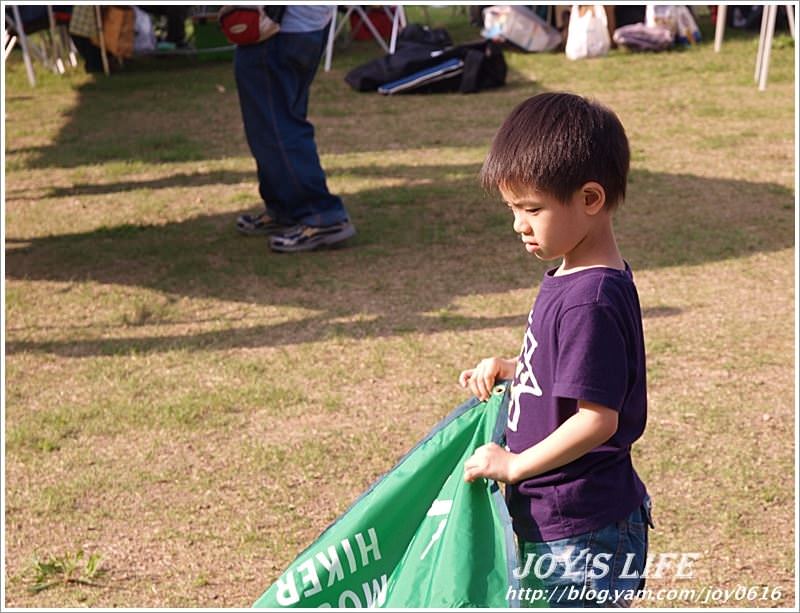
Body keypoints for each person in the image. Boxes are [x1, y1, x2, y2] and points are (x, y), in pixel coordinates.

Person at [458, 93, 652, 607]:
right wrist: (514, 368)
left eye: (531, 209)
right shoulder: (571, 274)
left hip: (583, 530)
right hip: (559, 519)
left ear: (590, 198)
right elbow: (570, 369)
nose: (518, 225)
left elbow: (597, 419)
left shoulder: (591, 299)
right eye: (513, 209)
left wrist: (515, 466)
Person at [233, 6, 355, 252]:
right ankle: (285, 207)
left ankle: (320, 215)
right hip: (302, 23)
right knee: (278, 120)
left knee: (275, 127)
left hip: (280, 27)